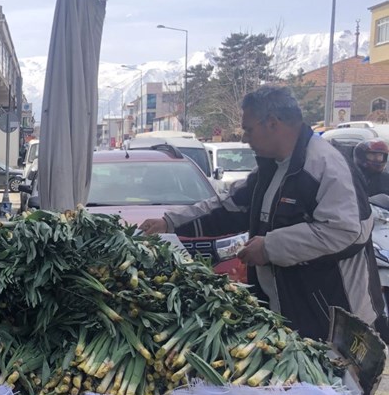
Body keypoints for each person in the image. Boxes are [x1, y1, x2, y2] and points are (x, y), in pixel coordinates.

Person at [139, 86, 387, 341]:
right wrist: (168, 223)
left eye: (248, 129)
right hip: (294, 313)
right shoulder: (274, 167)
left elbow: (347, 232)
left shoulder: (326, 165)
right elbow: (229, 206)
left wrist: (270, 247)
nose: (245, 138)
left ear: (272, 123)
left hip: (334, 319)